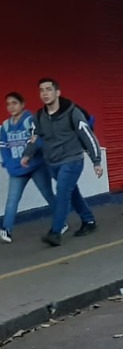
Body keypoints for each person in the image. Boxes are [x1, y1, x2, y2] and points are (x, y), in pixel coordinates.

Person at [21, 78, 102, 247]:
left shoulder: (73, 113)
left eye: (49, 89)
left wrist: (96, 161)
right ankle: (89, 221)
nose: (45, 93)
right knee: (72, 193)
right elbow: (34, 138)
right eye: (42, 90)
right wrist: (27, 155)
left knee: (63, 192)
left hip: (72, 159)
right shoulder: (39, 116)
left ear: (57, 92)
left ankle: (55, 232)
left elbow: (87, 135)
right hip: (53, 162)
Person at [1, 92, 55, 243]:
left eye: (14, 103)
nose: (11, 107)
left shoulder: (30, 120)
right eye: (8, 104)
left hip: (36, 166)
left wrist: (29, 157)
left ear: (22, 104)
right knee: (12, 199)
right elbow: (3, 147)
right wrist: (9, 163)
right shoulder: (5, 126)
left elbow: (38, 141)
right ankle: (6, 230)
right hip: (16, 169)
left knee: (48, 194)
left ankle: (60, 222)